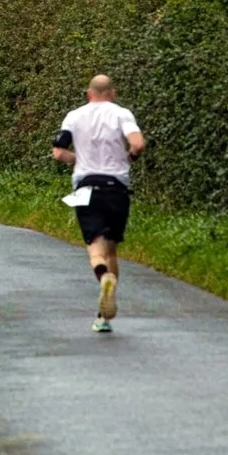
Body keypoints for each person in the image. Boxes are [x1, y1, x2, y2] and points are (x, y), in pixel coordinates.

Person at [51, 75, 146, 334]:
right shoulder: (121, 114)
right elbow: (138, 143)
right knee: (112, 249)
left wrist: (78, 158)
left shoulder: (74, 116)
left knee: (95, 247)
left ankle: (102, 276)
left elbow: (58, 152)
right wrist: (130, 156)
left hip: (86, 186)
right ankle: (104, 317)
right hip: (116, 187)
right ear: (112, 93)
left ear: (88, 94)